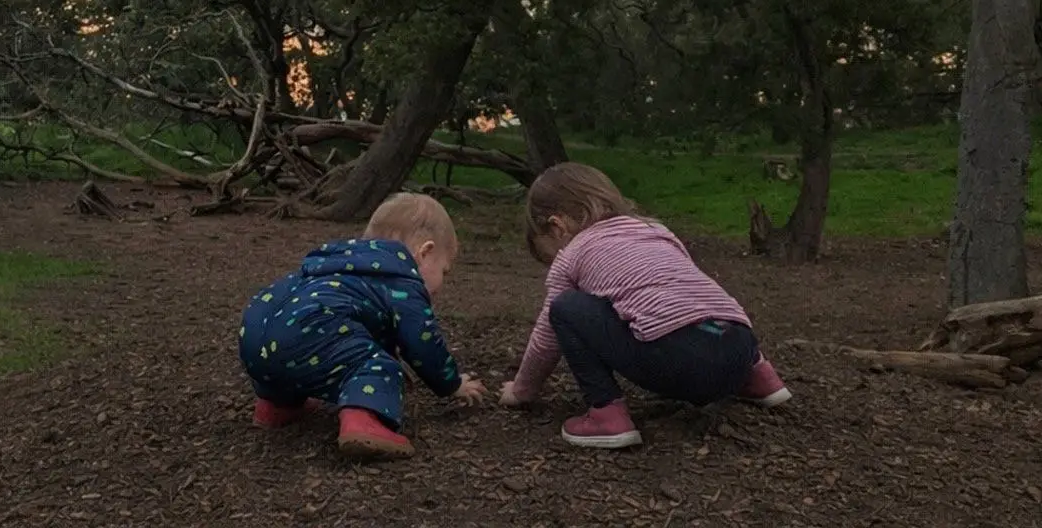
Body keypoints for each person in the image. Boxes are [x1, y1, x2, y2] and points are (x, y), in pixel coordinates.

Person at [498, 163, 791, 448]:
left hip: (680, 363)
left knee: (565, 307)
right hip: (739, 346)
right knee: (695, 297)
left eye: (549, 253)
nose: (554, 261)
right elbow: (683, 297)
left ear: (557, 226)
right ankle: (762, 380)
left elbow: (547, 337)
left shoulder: (572, 253)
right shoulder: (655, 231)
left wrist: (521, 391)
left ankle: (606, 414)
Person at [239, 191, 487, 459]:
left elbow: (363, 327)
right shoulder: (403, 280)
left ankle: (277, 407)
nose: (442, 283)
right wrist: (451, 383)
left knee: (329, 341)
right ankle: (364, 422)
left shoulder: (343, 264)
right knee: (376, 367)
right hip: (308, 331)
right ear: (425, 253)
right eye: (444, 271)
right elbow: (422, 340)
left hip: (254, 336)